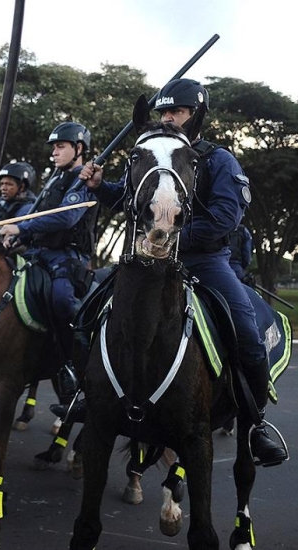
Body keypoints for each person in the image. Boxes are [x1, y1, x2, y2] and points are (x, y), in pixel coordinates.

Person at [80, 78, 287, 467]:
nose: (169, 118)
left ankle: (256, 423)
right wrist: (98, 186)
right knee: (88, 310)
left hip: (205, 262)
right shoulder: (153, 155)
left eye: (177, 112)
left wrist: (172, 237)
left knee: (247, 332)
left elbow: (226, 216)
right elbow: (128, 200)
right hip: (148, 261)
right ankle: (85, 396)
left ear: (196, 117)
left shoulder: (219, 159)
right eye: (164, 112)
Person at [0, 122, 99, 397]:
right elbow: (38, 220)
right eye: (53, 147)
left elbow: (67, 217)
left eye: (60, 146)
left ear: (78, 149)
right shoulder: (54, 179)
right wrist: (19, 239)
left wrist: (21, 228)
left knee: (61, 300)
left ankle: (72, 365)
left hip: (69, 257)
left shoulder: (84, 180)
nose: (54, 152)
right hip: (37, 254)